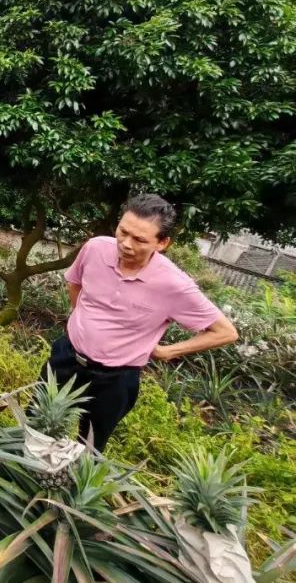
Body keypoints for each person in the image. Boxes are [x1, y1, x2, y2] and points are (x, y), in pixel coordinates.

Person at [43, 193, 239, 452]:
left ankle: (63, 489)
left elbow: (225, 332)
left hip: (115, 379)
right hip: (67, 357)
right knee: (39, 422)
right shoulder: (96, 248)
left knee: (89, 446)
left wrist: (169, 351)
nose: (125, 243)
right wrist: (83, 318)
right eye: (123, 232)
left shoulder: (174, 285)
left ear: (162, 243)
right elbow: (75, 282)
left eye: (139, 240)